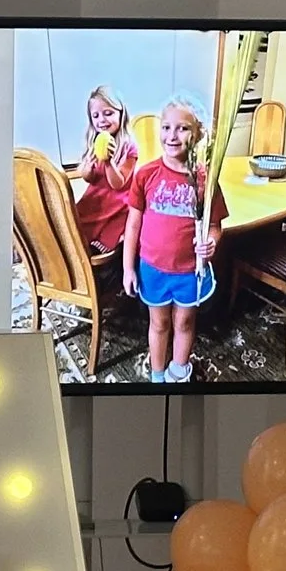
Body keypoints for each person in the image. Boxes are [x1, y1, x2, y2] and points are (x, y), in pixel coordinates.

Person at [122, 94, 226, 383]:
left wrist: (212, 242)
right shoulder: (145, 175)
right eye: (166, 127)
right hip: (153, 269)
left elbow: (215, 226)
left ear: (197, 134)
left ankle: (178, 372)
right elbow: (133, 225)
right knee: (159, 323)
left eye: (183, 128)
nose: (172, 135)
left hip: (189, 271)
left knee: (185, 322)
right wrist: (128, 268)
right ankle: (158, 377)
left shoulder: (205, 180)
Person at [67, 85, 138, 256]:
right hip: (97, 195)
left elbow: (118, 184)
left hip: (118, 201)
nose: (102, 120)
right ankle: (82, 244)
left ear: (121, 113)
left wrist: (108, 162)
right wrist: (87, 170)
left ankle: (103, 249)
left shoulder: (129, 146)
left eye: (108, 113)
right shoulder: (94, 141)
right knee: (77, 219)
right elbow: (89, 178)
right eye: (96, 116)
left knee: (113, 226)